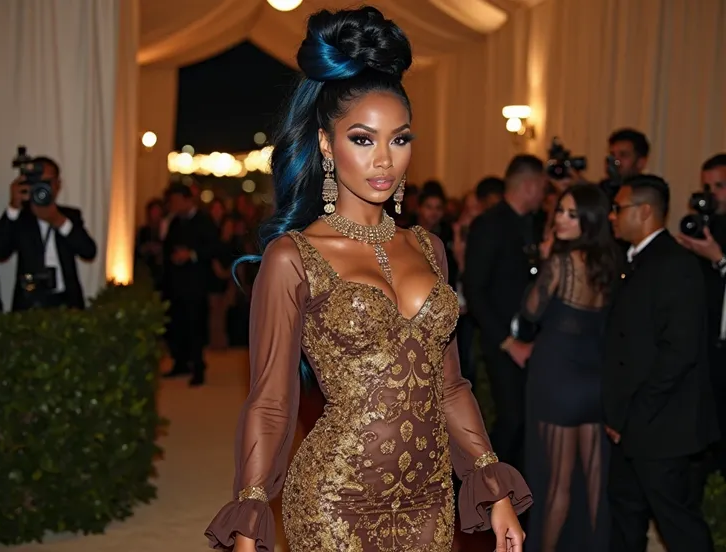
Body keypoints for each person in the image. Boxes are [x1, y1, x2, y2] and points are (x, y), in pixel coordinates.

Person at [205, 7, 531, 552]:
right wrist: (249, 516)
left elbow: (450, 387)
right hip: (334, 501)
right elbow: (271, 402)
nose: (384, 160)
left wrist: (492, 485)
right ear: (326, 145)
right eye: (363, 139)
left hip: (430, 501)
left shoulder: (429, 248)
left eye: (399, 140)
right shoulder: (292, 257)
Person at [604, 174, 718, 551]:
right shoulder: (636, 260)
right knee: (625, 517)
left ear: (645, 211)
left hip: (663, 425)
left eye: (618, 208)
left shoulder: (675, 264)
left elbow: (679, 352)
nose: (612, 216)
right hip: (631, 423)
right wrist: (619, 415)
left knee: (679, 526)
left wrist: (634, 414)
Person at [519, 185, 619, 551]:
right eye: (560, 210)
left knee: (557, 487)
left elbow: (531, 312)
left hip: (557, 383)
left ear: (589, 221)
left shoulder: (561, 263)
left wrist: (546, 259)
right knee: (594, 488)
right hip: (595, 386)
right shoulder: (609, 263)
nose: (560, 219)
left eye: (572, 214)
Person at [464, 154, 547, 473]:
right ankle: (485, 485)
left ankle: (519, 491)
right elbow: (475, 290)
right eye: (542, 187)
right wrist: (508, 342)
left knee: (528, 423)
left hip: (532, 339)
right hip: (501, 341)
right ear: (529, 186)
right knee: (511, 420)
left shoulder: (535, 224)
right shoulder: (489, 225)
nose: (544, 194)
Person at [676, 153, 726, 477]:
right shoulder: (703, 227)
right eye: (707, 187)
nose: (712, 195)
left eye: (720, 186)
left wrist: (718, 258)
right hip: (703, 346)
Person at [0, 157, 97, 310]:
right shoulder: (20, 218)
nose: (42, 188)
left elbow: (89, 252)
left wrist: (59, 221)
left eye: (47, 182)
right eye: (37, 182)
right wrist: (13, 207)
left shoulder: (70, 215)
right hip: (29, 304)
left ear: (58, 185)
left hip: (67, 302)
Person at [161, 183, 219, 386]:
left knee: (195, 327)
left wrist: (191, 254)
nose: (174, 206)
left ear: (187, 200)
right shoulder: (175, 222)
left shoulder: (204, 221)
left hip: (196, 284)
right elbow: (167, 247)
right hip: (176, 284)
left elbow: (214, 247)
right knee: (177, 325)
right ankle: (180, 363)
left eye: (176, 201)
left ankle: (198, 367)